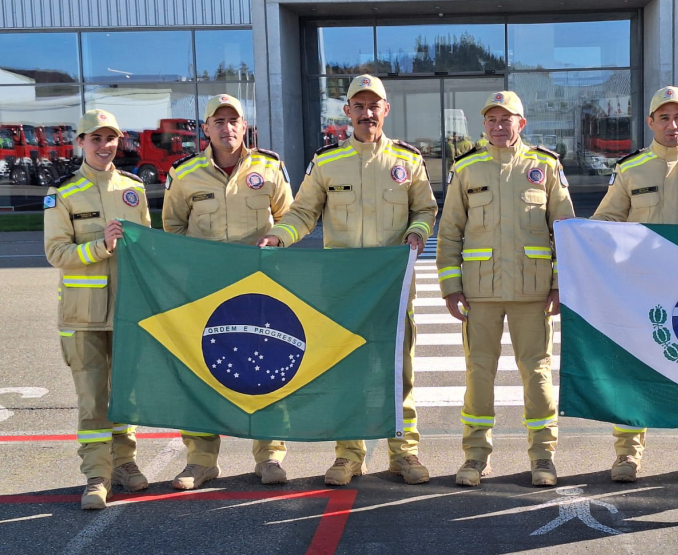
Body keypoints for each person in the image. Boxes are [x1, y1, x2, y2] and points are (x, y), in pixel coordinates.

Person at [257, 75, 437, 486]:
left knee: (397, 374)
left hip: (391, 290)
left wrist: (418, 232)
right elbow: (303, 213)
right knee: (345, 375)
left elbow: (426, 209)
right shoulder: (327, 162)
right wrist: (278, 236)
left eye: (374, 106)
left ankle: (404, 454)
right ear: (347, 112)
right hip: (342, 292)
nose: (367, 113)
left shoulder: (408, 161)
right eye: (359, 105)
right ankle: (348, 456)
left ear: (385, 110)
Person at [590, 86, 678, 485]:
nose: (672, 124)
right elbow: (608, 220)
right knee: (634, 371)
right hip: (642, 292)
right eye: (664, 117)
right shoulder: (631, 169)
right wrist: (577, 235)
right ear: (651, 122)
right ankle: (627, 455)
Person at [436, 91, 575, 487]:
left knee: (537, 375)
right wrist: (450, 288)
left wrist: (560, 285)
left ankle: (543, 458)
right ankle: (475, 458)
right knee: (479, 374)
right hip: (480, 294)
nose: (498, 126)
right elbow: (449, 235)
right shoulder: (467, 168)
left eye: (506, 119)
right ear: (484, 125)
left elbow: (564, 232)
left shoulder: (545, 166)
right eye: (491, 120)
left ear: (521, 123)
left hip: (533, 295)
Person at [162, 94, 294, 489]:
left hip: (261, 292)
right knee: (201, 371)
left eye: (232, 119)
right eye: (217, 121)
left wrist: (275, 242)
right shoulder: (184, 174)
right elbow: (173, 228)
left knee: (266, 368)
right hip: (206, 293)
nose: (226, 127)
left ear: (244, 125)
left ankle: (269, 456)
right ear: (205, 129)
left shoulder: (270, 167)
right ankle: (201, 461)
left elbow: (290, 219)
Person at [44, 110, 152, 509]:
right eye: (96, 139)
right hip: (81, 315)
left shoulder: (133, 188)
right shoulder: (64, 192)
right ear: (81, 142)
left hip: (125, 312)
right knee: (92, 398)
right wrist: (99, 247)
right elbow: (56, 252)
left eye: (111, 139)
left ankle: (125, 463)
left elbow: (144, 247)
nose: (104, 146)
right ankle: (95, 475)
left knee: (125, 395)